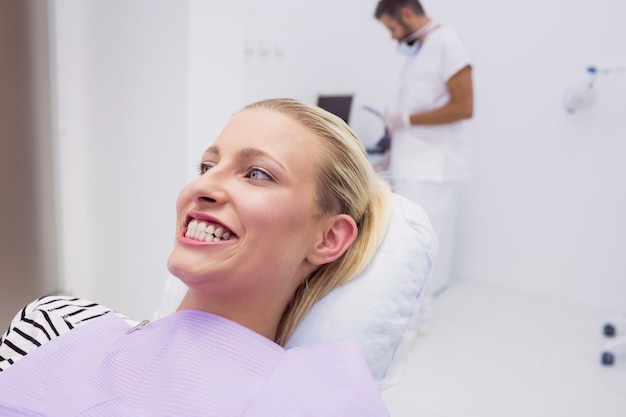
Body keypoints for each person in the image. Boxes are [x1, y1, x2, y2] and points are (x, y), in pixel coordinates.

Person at [0, 98, 392, 416]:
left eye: (257, 173)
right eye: (206, 166)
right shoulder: (55, 322)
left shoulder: (319, 397)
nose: (202, 186)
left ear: (328, 238)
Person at [374, 0, 474, 336]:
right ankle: (411, 320)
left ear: (406, 13)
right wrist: (395, 143)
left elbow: (464, 106)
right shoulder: (424, 49)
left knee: (419, 247)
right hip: (415, 163)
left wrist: (405, 120)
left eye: (392, 28)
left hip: (432, 168)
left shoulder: (446, 42)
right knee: (408, 245)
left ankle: (416, 324)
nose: (392, 37)